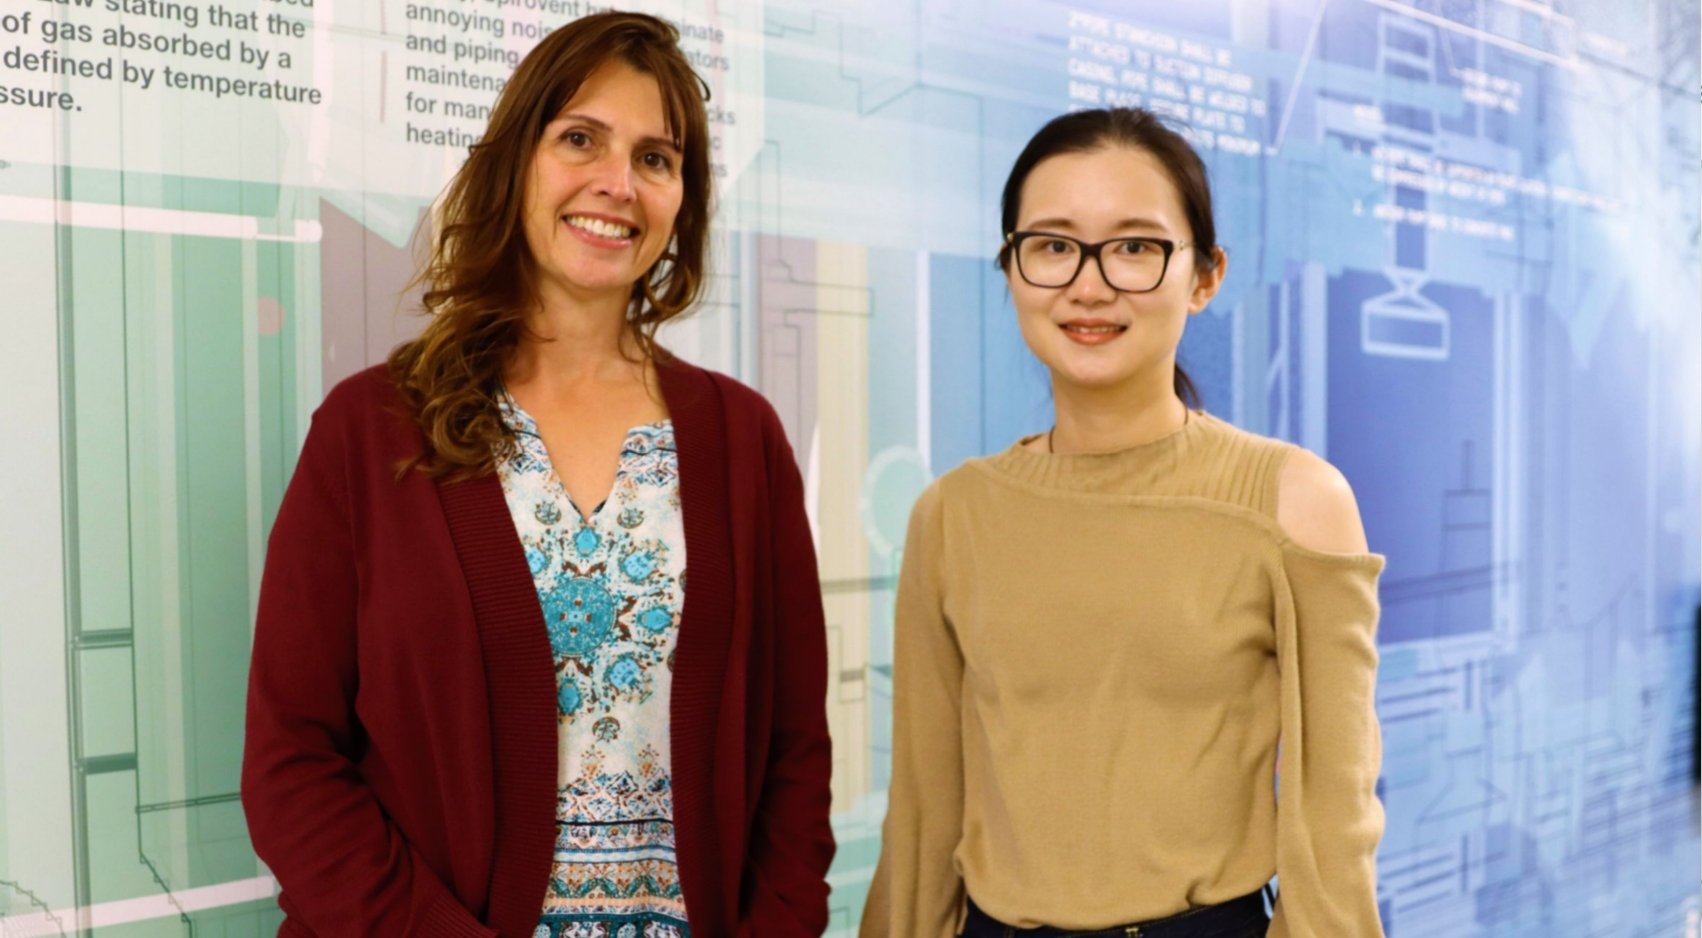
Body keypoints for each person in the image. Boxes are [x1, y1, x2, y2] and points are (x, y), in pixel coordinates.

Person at [241, 13, 834, 938]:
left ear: (683, 200)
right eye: (580, 139)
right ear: (517, 161)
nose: (617, 183)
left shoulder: (743, 440)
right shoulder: (369, 431)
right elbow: (292, 760)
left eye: (656, 157)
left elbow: (795, 760)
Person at [861, 107, 1386, 938]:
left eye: (1136, 246)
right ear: (1011, 268)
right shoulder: (953, 516)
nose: (1089, 283)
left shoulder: (1294, 501)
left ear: (1205, 276)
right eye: (1053, 245)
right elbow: (924, 817)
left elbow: (1334, 825)